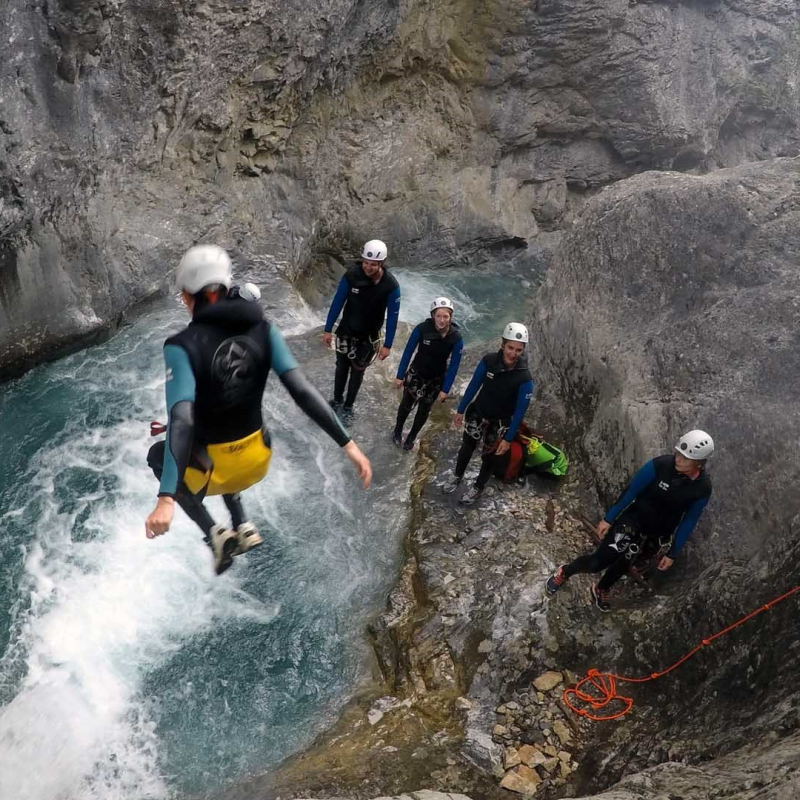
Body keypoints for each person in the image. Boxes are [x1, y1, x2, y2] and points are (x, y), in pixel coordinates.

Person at [145, 244, 372, 575]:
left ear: (189, 295)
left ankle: (214, 533)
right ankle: (243, 524)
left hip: (213, 470)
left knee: (158, 453)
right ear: (225, 287)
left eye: (183, 295)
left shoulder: (181, 345)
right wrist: (348, 445)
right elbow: (303, 391)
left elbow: (181, 419)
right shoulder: (265, 329)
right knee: (228, 424)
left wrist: (165, 499)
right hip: (257, 459)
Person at [545, 430, 714, 611]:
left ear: (699, 464)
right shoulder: (661, 466)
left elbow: (689, 521)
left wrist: (672, 554)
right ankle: (566, 571)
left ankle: (601, 588)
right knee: (598, 562)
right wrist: (609, 519)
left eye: (685, 458)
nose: (678, 459)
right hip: (633, 522)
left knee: (624, 563)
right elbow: (631, 491)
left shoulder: (702, 488)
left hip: (656, 535)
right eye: (678, 453)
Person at [442, 322, 534, 505]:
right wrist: (461, 409)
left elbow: (520, 411)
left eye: (518, 349)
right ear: (502, 344)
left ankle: (478, 487)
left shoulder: (524, 378)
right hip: (478, 412)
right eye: (510, 347)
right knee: (467, 445)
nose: (513, 353)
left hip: (499, 422)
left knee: (490, 456)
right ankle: (457, 475)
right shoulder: (488, 361)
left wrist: (508, 438)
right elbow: (474, 385)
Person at [322, 239, 401, 419]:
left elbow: (393, 317)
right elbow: (337, 302)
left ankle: (348, 407)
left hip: (368, 337)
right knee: (341, 367)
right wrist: (328, 329)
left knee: (357, 372)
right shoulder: (352, 276)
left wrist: (387, 345)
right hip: (346, 331)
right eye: (365, 263)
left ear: (381, 263)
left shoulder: (391, 286)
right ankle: (336, 400)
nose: (368, 267)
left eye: (373, 265)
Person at [392, 297, 463, 451]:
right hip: (417, 373)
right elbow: (408, 352)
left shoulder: (456, 338)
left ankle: (411, 437)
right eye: (438, 316)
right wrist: (400, 375)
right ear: (433, 316)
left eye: (446, 316)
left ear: (451, 317)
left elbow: (454, 366)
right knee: (406, 405)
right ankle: (397, 431)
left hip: (435, 379)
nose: (442, 320)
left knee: (424, 410)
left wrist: (445, 389)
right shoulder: (422, 329)